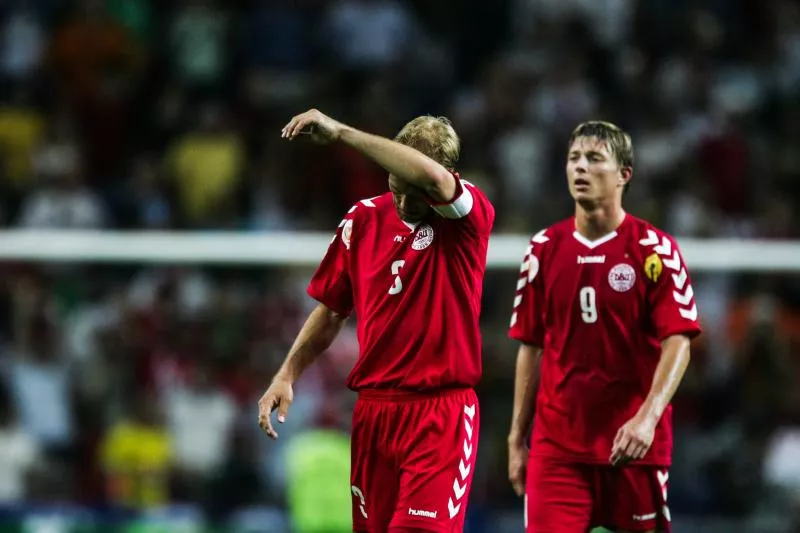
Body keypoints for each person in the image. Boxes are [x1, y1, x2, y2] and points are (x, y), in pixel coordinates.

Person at [258, 109, 495, 533]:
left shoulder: (467, 218)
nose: (404, 201)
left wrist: (342, 131)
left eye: (414, 191)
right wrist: (287, 373)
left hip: (439, 414)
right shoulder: (362, 220)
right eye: (395, 185)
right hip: (374, 414)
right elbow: (331, 310)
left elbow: (435, 182)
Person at [507, 121, 702, 533]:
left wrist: (647, 418)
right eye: (574, 158)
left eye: (594, 159)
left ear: (623, 175)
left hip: (632, 447)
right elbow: (531, 346)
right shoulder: (543, 250)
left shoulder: (654, 250)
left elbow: (679, 340)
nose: (580, 168)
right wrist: (516, 440)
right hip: (557, 450)